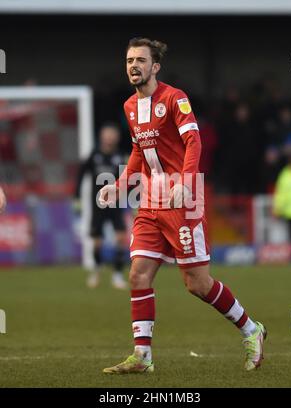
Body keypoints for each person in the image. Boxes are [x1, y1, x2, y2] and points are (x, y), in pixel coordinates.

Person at [99, 38, 266, 374]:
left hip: (182, 200)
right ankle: (142, 356)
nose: (134, 66)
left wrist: (186, 183)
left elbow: (194, 141)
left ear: (155, 66)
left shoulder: (175, 99)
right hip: (150, 201)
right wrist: (118, 186)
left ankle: (251, 329)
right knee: (138, 274)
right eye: (129, 60)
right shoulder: (130, 106)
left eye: (141, 60)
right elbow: (137, 153)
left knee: (197, 284)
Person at [74, 123, 128, 290]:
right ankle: (97, 270)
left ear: (117, 138)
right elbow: (81, 175)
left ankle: (117, 275)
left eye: (112, 135)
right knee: (97, 242)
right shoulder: (93, 156)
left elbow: (130, 180)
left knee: (120, 238)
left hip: (116, 205)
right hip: (98, 206)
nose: (109, 138)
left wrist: (135, 200)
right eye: (107, 135)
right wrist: (77, 198)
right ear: (102, 137)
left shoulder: (121, 157)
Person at [273, 141, 291, 242]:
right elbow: (280, 194)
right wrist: (277, 210)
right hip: (290, 213)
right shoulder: (284, 174)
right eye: (290, 159)